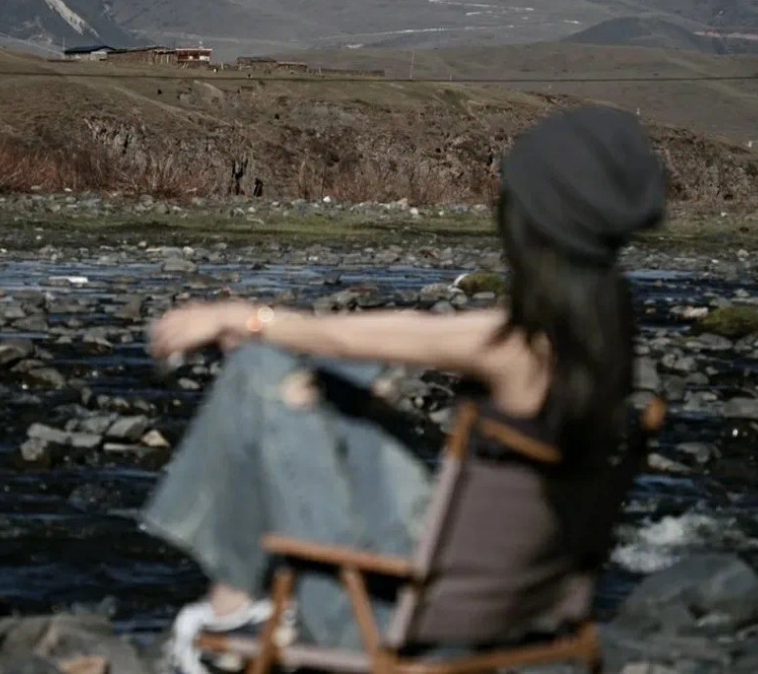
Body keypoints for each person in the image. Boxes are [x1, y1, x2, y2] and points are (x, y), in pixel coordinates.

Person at [143, 105, 667, 674]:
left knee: (258, 371)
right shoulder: (606, 333)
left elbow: (400, 333)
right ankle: (234, 604)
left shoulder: (516, 348)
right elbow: (394, 338)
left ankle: (229, 615)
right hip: (518, 603)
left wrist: (246, 318)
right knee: (340, 378)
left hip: (399, 618)